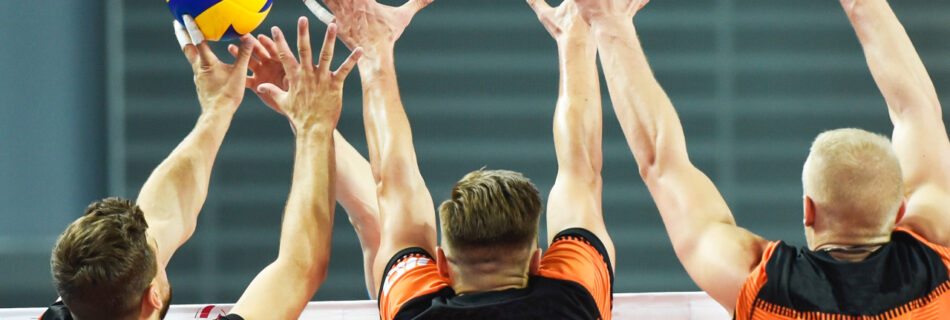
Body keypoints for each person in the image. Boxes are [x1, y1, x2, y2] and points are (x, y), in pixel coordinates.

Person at [572, 0, 950, 317]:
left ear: (808, 210)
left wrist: (609, 22)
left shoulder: (763, 285)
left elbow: (661, 163)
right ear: (901, 212)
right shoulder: (939, 269)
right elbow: (918, 112)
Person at [305, 0, 615, 318]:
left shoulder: (414, 311)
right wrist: (577, 36)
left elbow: (395, 186)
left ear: (442, 265)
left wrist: (372, 52)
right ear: (537, 262)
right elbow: (582, 172)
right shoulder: (576, 298)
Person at [43, 15, 362, 319]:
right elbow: (301, 267)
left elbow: (164, 212)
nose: (157, 235)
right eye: (154, 254)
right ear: (152, 297)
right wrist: (314, 125)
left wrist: (218, 110)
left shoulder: (83, 299)